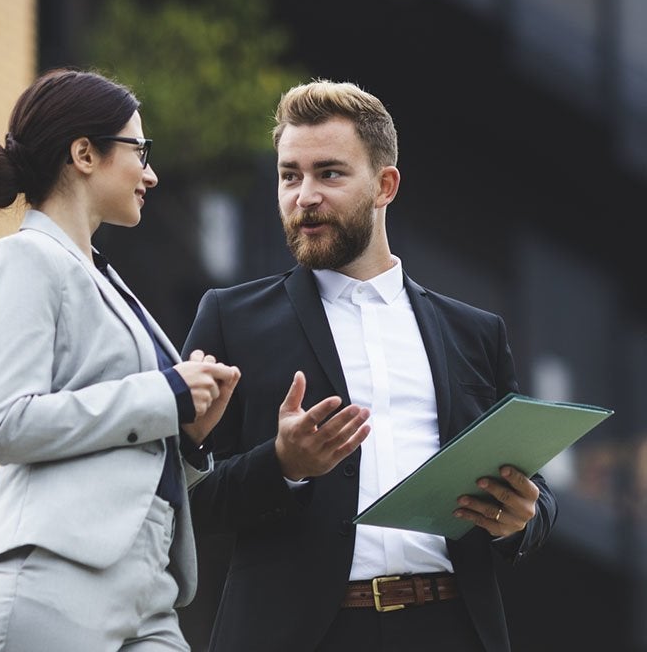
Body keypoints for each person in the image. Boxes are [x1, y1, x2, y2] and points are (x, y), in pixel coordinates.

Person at [183, 79, 557, 652]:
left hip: (450, 626)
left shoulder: (475, 333)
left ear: (385, 185)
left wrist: (523, 517)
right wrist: (282, 464)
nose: (304, 195)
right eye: (290, 175)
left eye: (329, 173)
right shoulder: (230, 318)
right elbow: (182, 495)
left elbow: (532, 489)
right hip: (301, 635)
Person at [0, 67, 240, 652]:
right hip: (52, 578)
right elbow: (6, 424)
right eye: (140, 150)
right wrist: (165, 395)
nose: (152, 173)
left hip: (150, 593)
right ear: (84, 153)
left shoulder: (106, 280)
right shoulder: (23, 260)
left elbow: (126, 455)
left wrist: (186, 435)